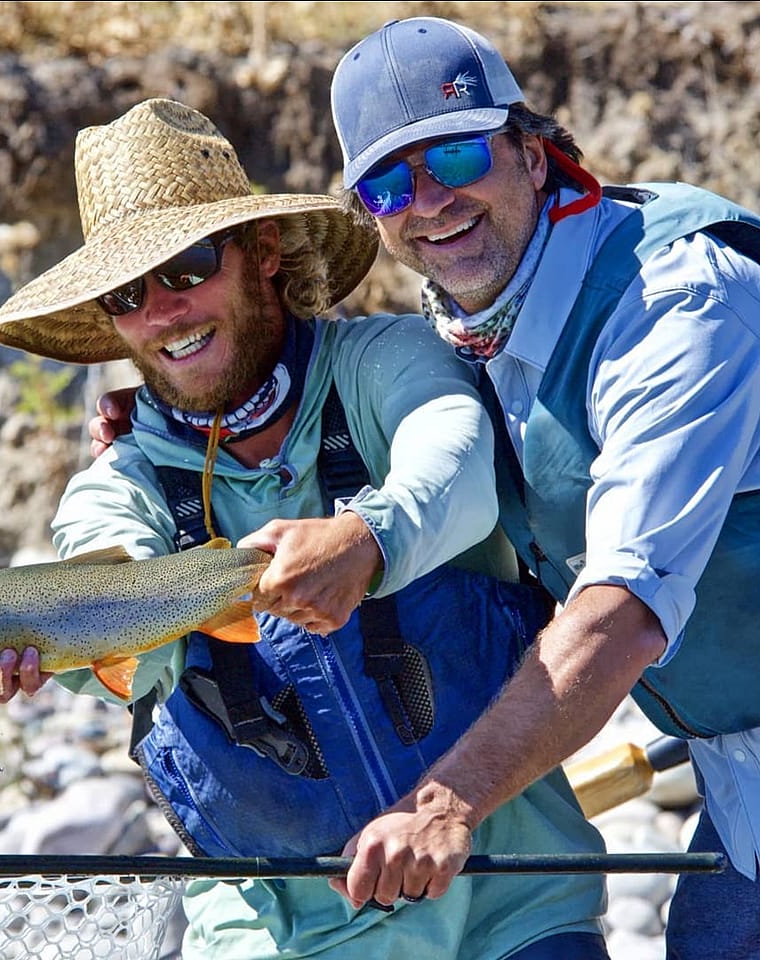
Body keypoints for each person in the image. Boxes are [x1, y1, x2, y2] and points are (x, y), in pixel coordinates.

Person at [0, 98, 611, 959]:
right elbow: (102, 588)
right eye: (128, 293)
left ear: (264, 254)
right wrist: (30, 648)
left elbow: (454, 461)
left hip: (514, 910)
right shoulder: (115, 484)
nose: (164, 311)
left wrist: (368, 539)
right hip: (280, 938)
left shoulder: (389, 361)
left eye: (189, 267)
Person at [323, 16, 760, 959]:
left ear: (532, 148)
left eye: (456, 154)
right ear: (370, 215)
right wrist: (161, 426)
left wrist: (446, 803)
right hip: (739, 780)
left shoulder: (677, 299)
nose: (430, 201)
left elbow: (626, 607)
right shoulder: (466, 322)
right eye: (390, 184)